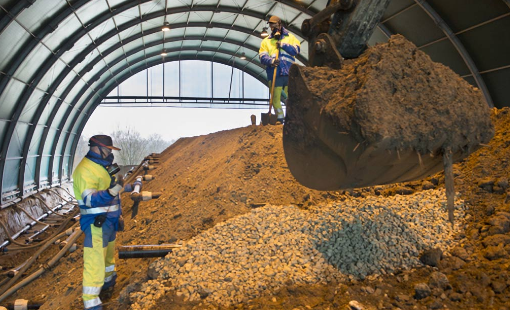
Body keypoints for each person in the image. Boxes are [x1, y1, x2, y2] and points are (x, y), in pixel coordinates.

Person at [73, 135, 124, 310]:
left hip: (110, 222)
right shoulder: (85, 170)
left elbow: (114, 188)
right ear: (97, 148)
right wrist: (111, 192)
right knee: (95, 264)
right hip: (97, 225)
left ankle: (108, 287)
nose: (110, 153)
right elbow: (89, 199)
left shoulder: (103, 166)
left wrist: (120, 214)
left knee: (108, 259)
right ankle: (92, 304)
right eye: (108, 149)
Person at [259, 15, 301, 123]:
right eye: (271, 25)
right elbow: (262, 56)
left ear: (279, 24)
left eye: (274, 24)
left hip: (288, 73)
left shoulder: (291, 38)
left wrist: (282, 44)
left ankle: (291, 119)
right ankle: (280, 119)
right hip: (274, 73)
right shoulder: (266, 42)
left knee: (290, 98)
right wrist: (271, 61)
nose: (272, 27)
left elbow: (296, 50)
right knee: (275, 99)